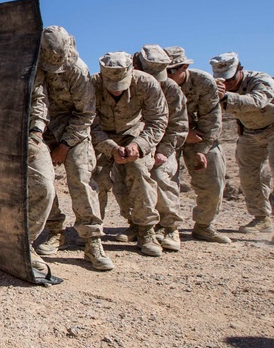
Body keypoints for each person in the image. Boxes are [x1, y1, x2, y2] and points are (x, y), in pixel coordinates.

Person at [33, 26, 112, 271]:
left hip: (74, 129)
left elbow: (86, 113)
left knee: (80, 177)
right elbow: (39, 100)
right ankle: (55, 231)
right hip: (44, 129)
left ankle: (92, 241)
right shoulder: (36, 66)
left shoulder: (79, 70)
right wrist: (37, 131)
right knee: (42, 179)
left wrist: (65, 146)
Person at [210, 52, 274, 245]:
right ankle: (261, 217)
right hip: (251, 132)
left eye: (230, 78)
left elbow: (257, 102)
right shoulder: (218, 87)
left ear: (240, 70)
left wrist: (225, 96)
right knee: (249, 175)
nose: (226, 83)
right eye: (222, 80)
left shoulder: (262, 80)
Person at [91, 51, 168, 257]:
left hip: (135, 134)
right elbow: (88, 122)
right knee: (95, 177)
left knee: (139, 172)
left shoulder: (147, 84)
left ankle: (146, 230)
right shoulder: (91, 85)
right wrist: (109, 147)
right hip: (102, 137)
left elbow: (158, 120)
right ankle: (92, 234)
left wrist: (140, 145)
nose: (116, 91)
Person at [164, 47, 232, 244]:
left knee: (213, 177)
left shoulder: (203, 82)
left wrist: (202, 150)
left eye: (171, 70)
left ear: (184, 67)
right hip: (170, 135)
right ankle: (168, 227)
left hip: (201, 137)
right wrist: (184, 134)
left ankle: (204, 225)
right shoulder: (157, 83)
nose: (166, 75)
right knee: (164, 178)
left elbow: (212, 119)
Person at [133, 45, 188, 252]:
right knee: (129, 177)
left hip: (161, 144)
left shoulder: (171, 89)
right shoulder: (130, 83)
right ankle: (138, 225)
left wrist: (163, 151)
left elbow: (178, 125)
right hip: (134, 143)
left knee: (161, 175)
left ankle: (169, 227)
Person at [27, 69, 57, 274]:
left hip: (29, 136)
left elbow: (39, 99)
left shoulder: (27, 63)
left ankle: (23, 243)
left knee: (44, 187)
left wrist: (36, 134)